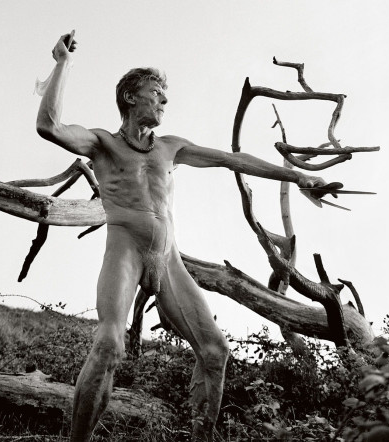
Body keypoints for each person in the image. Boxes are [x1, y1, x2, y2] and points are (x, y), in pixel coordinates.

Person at [36, 32, 334, 442]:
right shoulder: (103, 143)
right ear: (130, 97)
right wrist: (63, 63)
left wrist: (295, 175)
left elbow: (232, 159)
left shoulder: (171, 147)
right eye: (155, 93)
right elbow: (49, 126)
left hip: (168, 259)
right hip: (125, 250)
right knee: (108, 344)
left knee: (215, 352)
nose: (164, 100)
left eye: (164, 95)